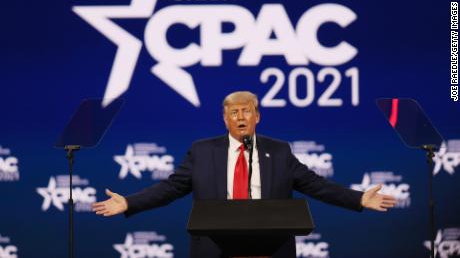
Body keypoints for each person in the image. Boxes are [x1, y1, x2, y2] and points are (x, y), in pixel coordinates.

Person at [92, 91, 397, 258]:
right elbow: (171, 188)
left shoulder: (278, 151)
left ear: (257, 116)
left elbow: (316, 185)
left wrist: (358, 199)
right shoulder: (202, 151)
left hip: (269, 247)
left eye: (246, 111)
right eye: (233, 113)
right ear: (224, 120)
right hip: (215, 247)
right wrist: (130, 203)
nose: (240, 117)